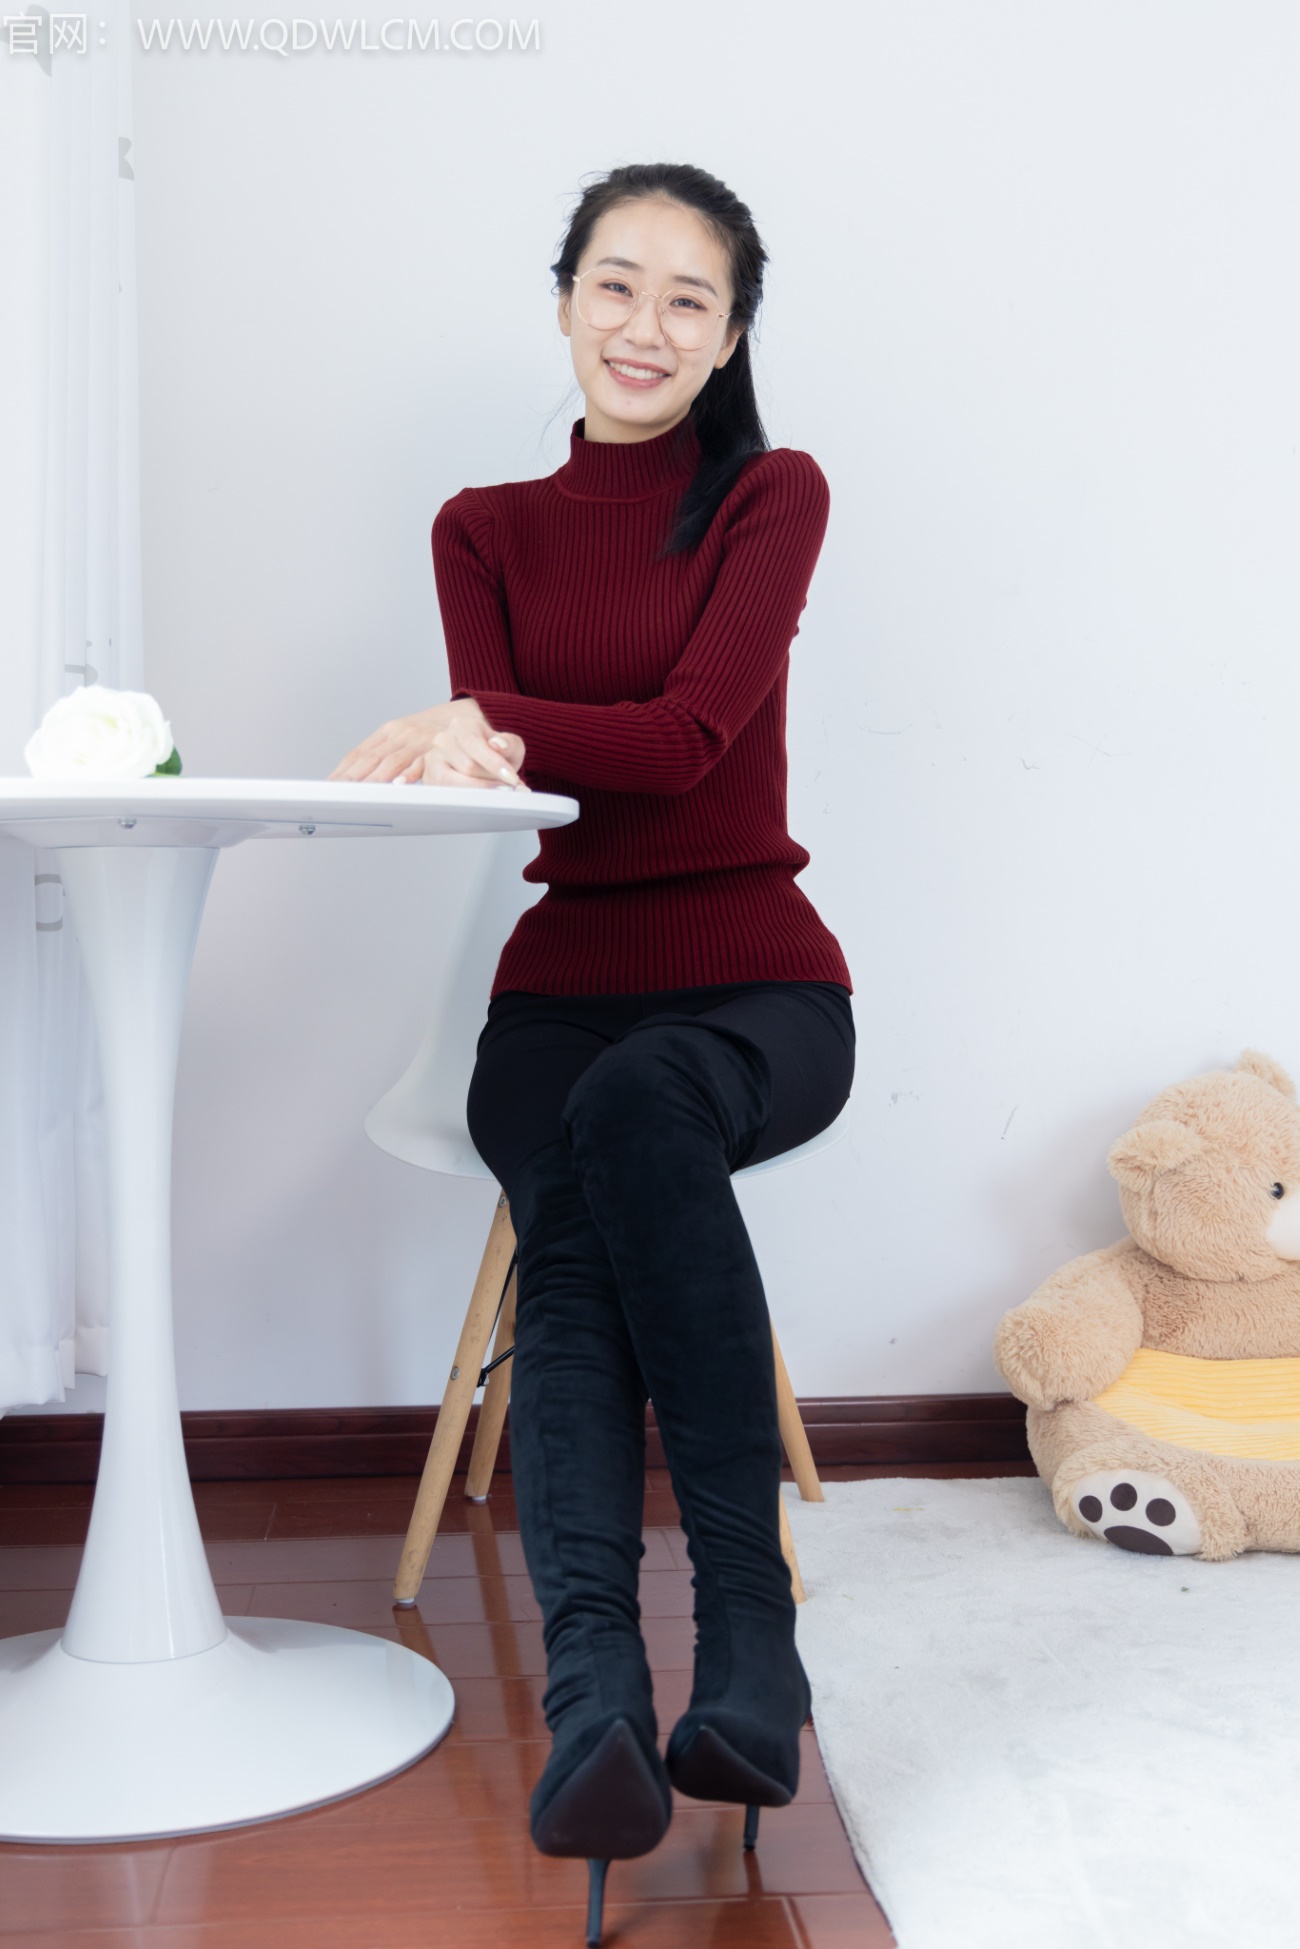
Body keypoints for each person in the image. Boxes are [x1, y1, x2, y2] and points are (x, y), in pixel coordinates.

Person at [330, 161, 854, 1944]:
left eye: (688, 298)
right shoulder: (481, 528)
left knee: (635, 1109)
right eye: (615, 285)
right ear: (564, 302)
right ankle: (608, 1705)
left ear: (730, 335)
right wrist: (483, 735)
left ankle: (742, 1641)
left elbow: (690, 739)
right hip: (556, 992)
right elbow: (522, 785)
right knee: (579, 1185)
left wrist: (481, 712)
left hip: (758, 984)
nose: (646, 325)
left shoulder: (772, 494)